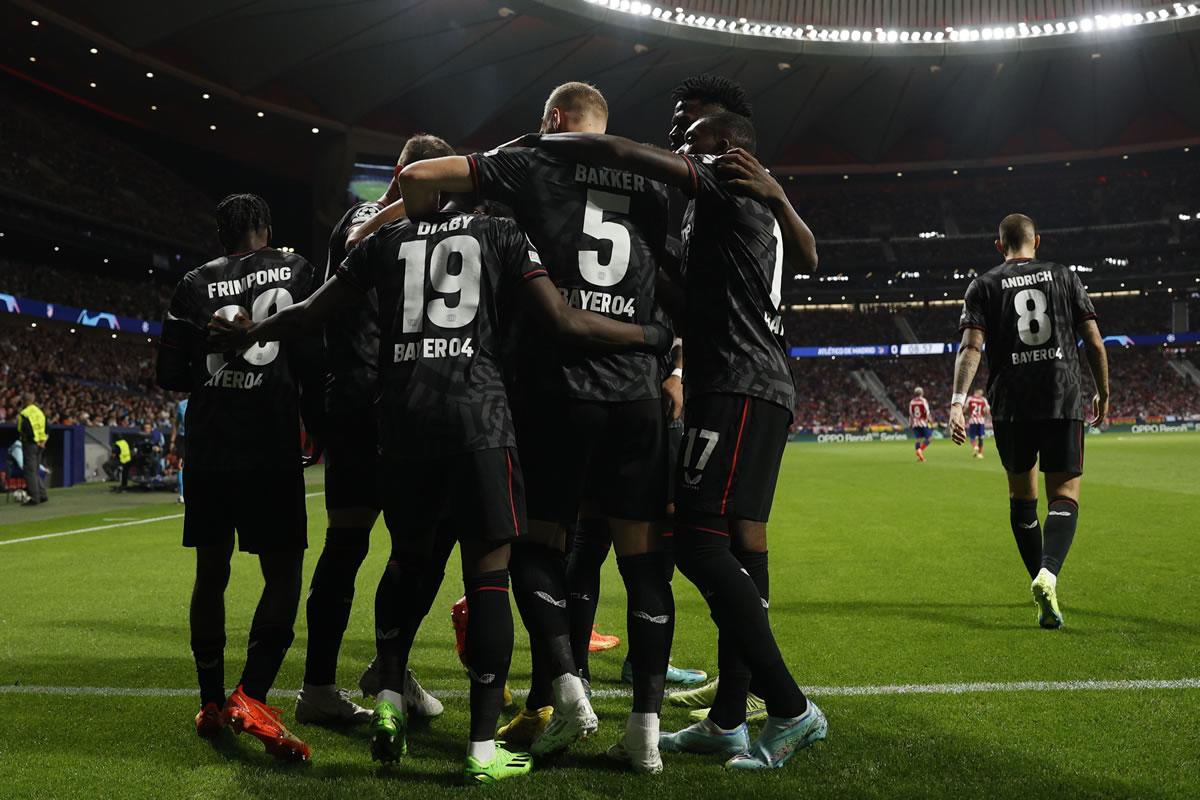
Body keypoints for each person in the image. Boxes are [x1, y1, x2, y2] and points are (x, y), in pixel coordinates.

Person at [209, 192, 671, 782]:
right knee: (488, 575)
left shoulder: (382, 239)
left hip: (402, 426)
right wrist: (654, 339)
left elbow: (311, 314)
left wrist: (251, 331)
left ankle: (389, 700)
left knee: (405, 563)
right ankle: (481, 750)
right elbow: (559, 318)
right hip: (479, 420)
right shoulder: (499, 231)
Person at [516, 111, 825, 771]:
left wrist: (554, 144)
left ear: (727, 147)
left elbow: (628, 150)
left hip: (741, 384)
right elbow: (801, 258)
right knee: (721, 542)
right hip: (748, 386)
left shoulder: (723, 182)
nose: (682, 148)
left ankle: (793, 709)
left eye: (693, 139)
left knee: (697, 544)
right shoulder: (755, 208)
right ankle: (730, 721)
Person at [397, 82, 676, 769]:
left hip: (556, 391)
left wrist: (429, 227)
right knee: (642, 565)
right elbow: (671, 277)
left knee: (534, 547)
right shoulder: (647, 175)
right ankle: (645, 733)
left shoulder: (533, 157)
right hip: (637, 393)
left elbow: (418, 175)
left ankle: (568, 688)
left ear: (554, 119)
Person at [156, 193, 325, 762]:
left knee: (212, 572)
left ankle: (210, 703)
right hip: (270, 447)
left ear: (221, 234)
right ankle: (251, 696)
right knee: (283, 573)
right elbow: (312, 356)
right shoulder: (296, 269)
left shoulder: (193, 283)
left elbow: (170, 374)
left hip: (210, 450)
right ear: (266, 228)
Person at [295, 134, 453, 727]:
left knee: (348, 542)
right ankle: (391, 668)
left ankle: (323, 685)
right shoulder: (393, 225)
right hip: (387, 404)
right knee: (429, 541)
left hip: (352, 401)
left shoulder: (356, 219)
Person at [949, 213, 1109, 630]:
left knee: (1023, 498)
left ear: (998, 246)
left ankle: (1039, 585)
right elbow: (1092, 340)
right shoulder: (1064, 276)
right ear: (1037, 240)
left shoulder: (982, 285)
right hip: (1062, 393)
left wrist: (956, 402)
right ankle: (1049, 574)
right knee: (1065, 494)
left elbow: (970, 349)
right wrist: (1103, 390)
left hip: (1011, 403)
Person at [16, 393, 49, 505]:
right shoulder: (40, 412)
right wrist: (42, 441)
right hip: (41, 445)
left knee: (30, 472)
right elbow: (47, 428)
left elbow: (22, 429)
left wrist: (32, 440)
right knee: (35, 471)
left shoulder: (24, 414)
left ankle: (34, 498)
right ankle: (42, 494)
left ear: (24, 401)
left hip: (30, 444)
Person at [965, 389, 991, 459]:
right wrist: (983, 415)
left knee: (972, 436)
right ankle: (980, 453)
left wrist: (966, 414)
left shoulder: (970, 398)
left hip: (973, 420)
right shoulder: (983, 399)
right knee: (981, 437)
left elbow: (965, 407)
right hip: (981, 420)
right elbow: (987, 411)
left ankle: (975, 446)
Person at [910, 387, 933, 461]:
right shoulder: (923, 401)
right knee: (929, 439)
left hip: (915, 423)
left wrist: (910, 424)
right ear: (922, 393)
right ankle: (920, 451)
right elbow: (927, 412)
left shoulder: (912, 402)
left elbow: (911, 414)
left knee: (918, 440)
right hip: (923, 423)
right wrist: (930, 421)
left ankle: (920, 456)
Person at [172, 398, 187, 503]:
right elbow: (176, 424)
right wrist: (172, 441)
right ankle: (182, 495)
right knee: (180, 466)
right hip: (182, 438)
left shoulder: (204, 400)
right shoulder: (181, 405)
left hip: (198, 437)